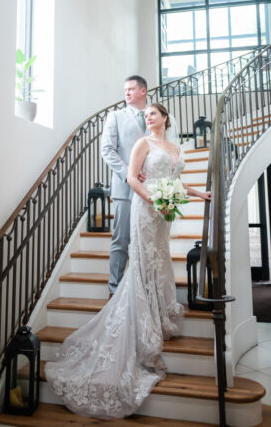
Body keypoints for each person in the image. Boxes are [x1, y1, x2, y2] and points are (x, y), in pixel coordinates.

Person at [45, 103, 211, 419]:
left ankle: (158, 312)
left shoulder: (175, 147)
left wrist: (198, 195)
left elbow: (175, 182)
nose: (148, 117)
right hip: (146, 209)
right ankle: (140, 316)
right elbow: (133, 179)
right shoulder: (142, 144)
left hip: (164, 215)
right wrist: (157, 202)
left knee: (160, 262)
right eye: (145, 114)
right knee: (144, 261)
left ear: (165, 117)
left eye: (153, 113)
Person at [101, 75, 179, 296]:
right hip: (126, 188)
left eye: (131, 89)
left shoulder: (156, 117)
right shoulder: (115, 116)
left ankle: (146, 287)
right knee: (121, 238)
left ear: (143, 91)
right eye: (125, 90)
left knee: (150, 241)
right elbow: (107, 150)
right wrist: (129, 174)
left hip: (155, 189)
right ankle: (115, 288)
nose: (126, 93)